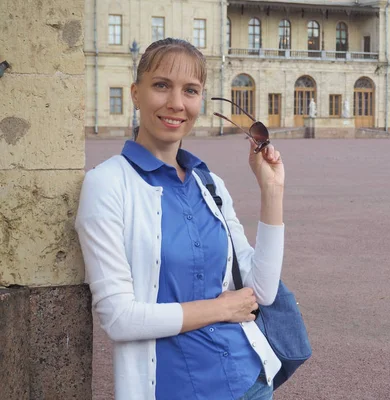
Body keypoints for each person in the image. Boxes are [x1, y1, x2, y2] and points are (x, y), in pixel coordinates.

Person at [75, 38, 285, 400]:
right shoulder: (107, 184)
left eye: (190, 90)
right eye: (161, 85)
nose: (176, 103)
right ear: (135, 93)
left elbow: (261, 290)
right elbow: (119, 318)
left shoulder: (209, 183)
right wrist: (220, 308)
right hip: (175, 388)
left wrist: (272, 192)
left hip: (250, 382)